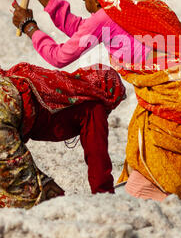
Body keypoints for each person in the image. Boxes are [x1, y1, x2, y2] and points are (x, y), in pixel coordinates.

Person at [12, 0, 181, 211]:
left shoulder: (106, 16)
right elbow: (83, 29)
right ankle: (164, 200)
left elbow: (60, 56)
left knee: (155, 146)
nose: (86, 6)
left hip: (180, 94)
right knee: (147, 138)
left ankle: (156, 202)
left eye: (85, 1)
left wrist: (30, 27)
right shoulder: (131, 6)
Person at [0, 59, 125, 209]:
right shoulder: (94, 107)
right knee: (32, 200)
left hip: (5, 92)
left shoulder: (59, 83)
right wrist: (106, 198)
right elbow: (97, 157)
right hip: (5, 111)